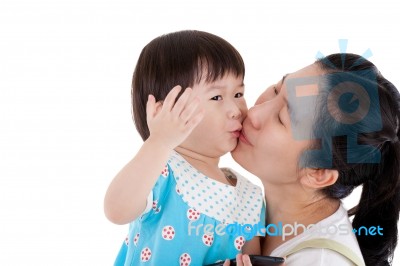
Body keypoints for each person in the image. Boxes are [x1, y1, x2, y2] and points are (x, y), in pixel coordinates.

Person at [104, 30, 265, 265]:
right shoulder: (160, 170)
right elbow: (116, 210)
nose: (236, 109)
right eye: (217, 97)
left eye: (239, 93)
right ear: (164, 111)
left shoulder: (249, 195)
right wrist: (159, 140)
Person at [229, 53, 400, 266]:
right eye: (276, 90)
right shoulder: (243, 205)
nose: (254, 113)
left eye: (282, 119)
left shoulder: (320, 261)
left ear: (318, 173)